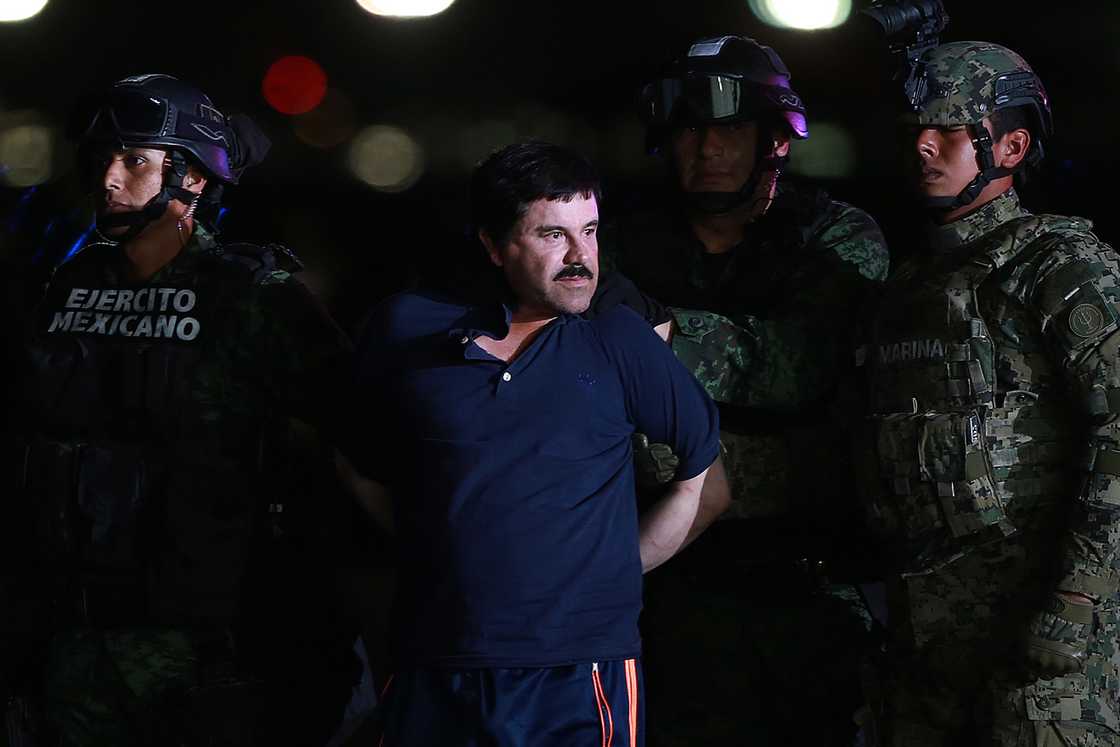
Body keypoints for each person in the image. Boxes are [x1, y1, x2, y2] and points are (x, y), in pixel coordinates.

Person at [4, 74, 359, 746]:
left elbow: (363, 440)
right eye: (102, 158)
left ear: (193, 178)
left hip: (204, 657)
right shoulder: (65, 286)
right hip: (68, 645)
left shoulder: (253, 295)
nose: (109, 179)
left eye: (134, 160)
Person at [344, 140, 730, 747]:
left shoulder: (618, 338)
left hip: (580, 672)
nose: (581, 256)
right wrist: (440, 551)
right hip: (435, 664)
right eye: (553, 234)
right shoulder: (406, 329)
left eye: (590, 231)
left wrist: (604, 573)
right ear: (494, 245)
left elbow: (705, 482)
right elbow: (358, 464)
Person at [599, 34, 890, 745]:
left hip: (800, 587)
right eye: (689, 130)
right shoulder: (618, 245)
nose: (707, 148)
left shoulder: (835, 238)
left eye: (729, 130)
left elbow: (796, 368)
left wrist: (654, 332)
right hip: (659, 590)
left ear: (774, 140)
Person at [857, 40, 1120, 746]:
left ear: (1011, 146)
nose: (924, 145)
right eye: (916, 129)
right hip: (927, 644)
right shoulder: (907, 288)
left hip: (1043, 642)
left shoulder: (1060, 264)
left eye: (949, 129)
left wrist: (1078, 595)